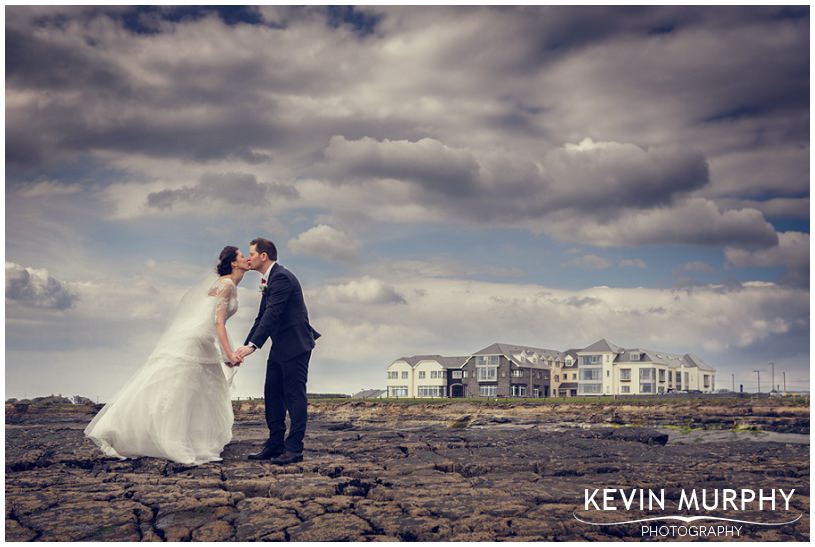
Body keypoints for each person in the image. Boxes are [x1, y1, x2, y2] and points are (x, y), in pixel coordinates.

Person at [84, 247, 249, 465]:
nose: (246, 258)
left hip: (197, 336)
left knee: (192, 386)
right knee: (189, 387)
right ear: (234, 263)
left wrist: (223, 349)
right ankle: (171, 439)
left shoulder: (220, 284)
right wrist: (228, 352)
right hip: (199, 338)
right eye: (242, 256)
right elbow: (217, 322)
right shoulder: (227, 285)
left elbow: (210, 318)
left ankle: (176, 435)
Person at [235, 237, 320, 464]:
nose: (248, 257)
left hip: (296, 345)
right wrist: (245, 346)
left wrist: (252, 346)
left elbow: (273, 315)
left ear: (264, 256)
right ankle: (274, 444)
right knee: (272, 393)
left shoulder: (281, 277)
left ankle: (294, 449)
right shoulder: (269, 279)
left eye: (251, 253)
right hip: (280, 346)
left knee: (294, 396)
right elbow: (261, 317)